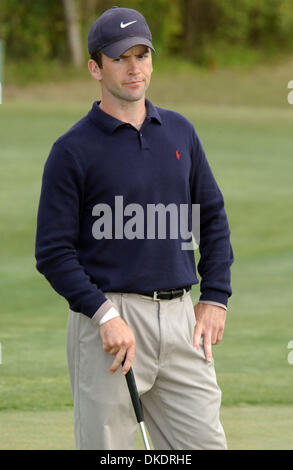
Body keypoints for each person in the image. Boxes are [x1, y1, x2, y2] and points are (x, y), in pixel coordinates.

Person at [35, 6, 234, 450]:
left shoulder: (180, 132)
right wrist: (103, 314)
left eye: (142, 56)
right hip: (109, 325)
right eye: (121, 57)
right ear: (95, 67)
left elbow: (213, 218)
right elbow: (53, 252)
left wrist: (215, 297)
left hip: (182, 321)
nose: (134, 68)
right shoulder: (72, 151)